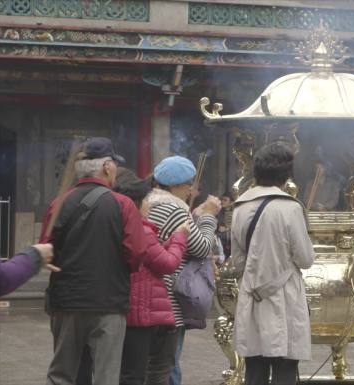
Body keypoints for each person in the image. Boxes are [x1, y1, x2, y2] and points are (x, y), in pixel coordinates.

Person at [40, 137, 149, 385]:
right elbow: (136, 254)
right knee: (106, 375)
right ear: (107, 167)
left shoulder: (58, 204)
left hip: (66, 302)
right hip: (108, 302)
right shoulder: (123, 205)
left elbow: (46, 251)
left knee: (60, 374)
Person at [231, 142, 315, 385]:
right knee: (285, 369)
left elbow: (238, 262)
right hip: (285, 297)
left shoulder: (239, 207)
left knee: (254, 369)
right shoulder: (290, 208)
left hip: (252, 295)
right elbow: (306, 259)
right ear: (287, 175)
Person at [145, 155, 220, 385]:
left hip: (144, 297)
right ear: (175, 185)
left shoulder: (148, 203)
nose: (191, 190)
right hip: (166, 300)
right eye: (189, 185)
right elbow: (202, 247)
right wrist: (208, 217)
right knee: (168, 366)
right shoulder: (174, 209)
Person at [114, 168, 190, 385]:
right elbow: (168, 263)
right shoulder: (139, 229)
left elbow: (151, 256)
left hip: (132, 308)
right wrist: (179, 238)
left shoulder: (120, 226)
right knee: (152, 372)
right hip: (146, 309)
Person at [217, 191, 233, 258]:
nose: (222, 201)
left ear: (231, 202)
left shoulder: (236, 212)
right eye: (222, 199)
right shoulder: (218, 212)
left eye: (225, 200)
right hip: (221, 243)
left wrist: (227, 228)